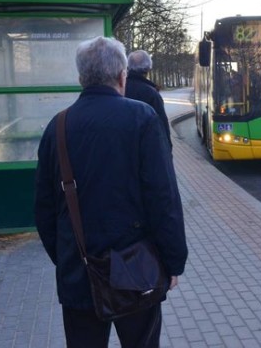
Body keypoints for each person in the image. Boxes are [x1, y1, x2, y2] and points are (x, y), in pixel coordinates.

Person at [34, 36, 187, 348]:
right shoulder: (141, 118)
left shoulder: (57, 126)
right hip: (136, 271)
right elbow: (163, 199)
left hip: (78, 273)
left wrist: (66, 258)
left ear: (80, 78)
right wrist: (173, 262)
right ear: (122, 76)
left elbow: (44, 209)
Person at [125, 50, 172, 149]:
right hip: (146, 150)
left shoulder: (120, 88)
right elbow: (162, 127)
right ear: (148, 68)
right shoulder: (151, 93)